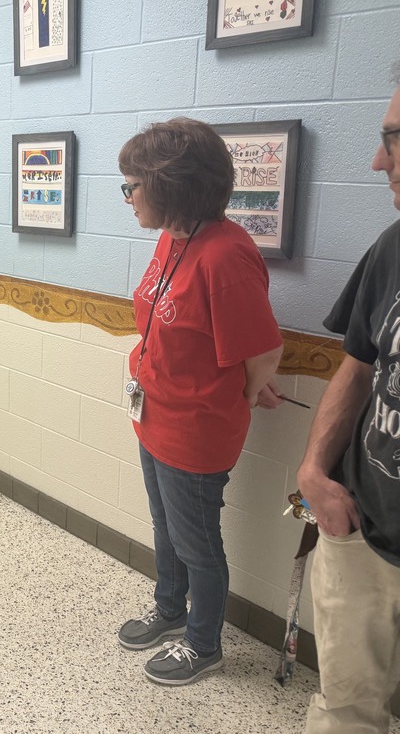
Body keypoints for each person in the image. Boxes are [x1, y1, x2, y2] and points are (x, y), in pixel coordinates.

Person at [115, 117, 284, 685]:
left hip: (195, 430)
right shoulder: (173, 235)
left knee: (198, 543)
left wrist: (246, 391)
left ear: (170, 186)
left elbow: (264, 350)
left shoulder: (225, 255)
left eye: (133, 185)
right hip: (154, 412)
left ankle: (203, 643)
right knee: (165, 526)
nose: (128, 196)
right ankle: (169, 608)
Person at [298, 73, 400, 733]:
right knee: (346, 709)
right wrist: (314, 471)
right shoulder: (393, 246)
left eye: (394, 139)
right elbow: (358, 367)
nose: (377, 162)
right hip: (362, 526)